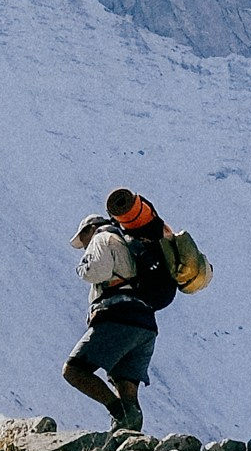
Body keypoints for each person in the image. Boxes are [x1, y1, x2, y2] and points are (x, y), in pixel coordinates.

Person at [63, 186, 171, 434]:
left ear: (90, 229)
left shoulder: (101, 238)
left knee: (74, 370)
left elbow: (98, 271)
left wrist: (82, 268)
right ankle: (130, 438)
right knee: (126, 386)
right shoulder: (129, 241)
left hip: (119, 316)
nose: (84, 246)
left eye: (83, 240)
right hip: (145, 324)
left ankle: (118, 413)